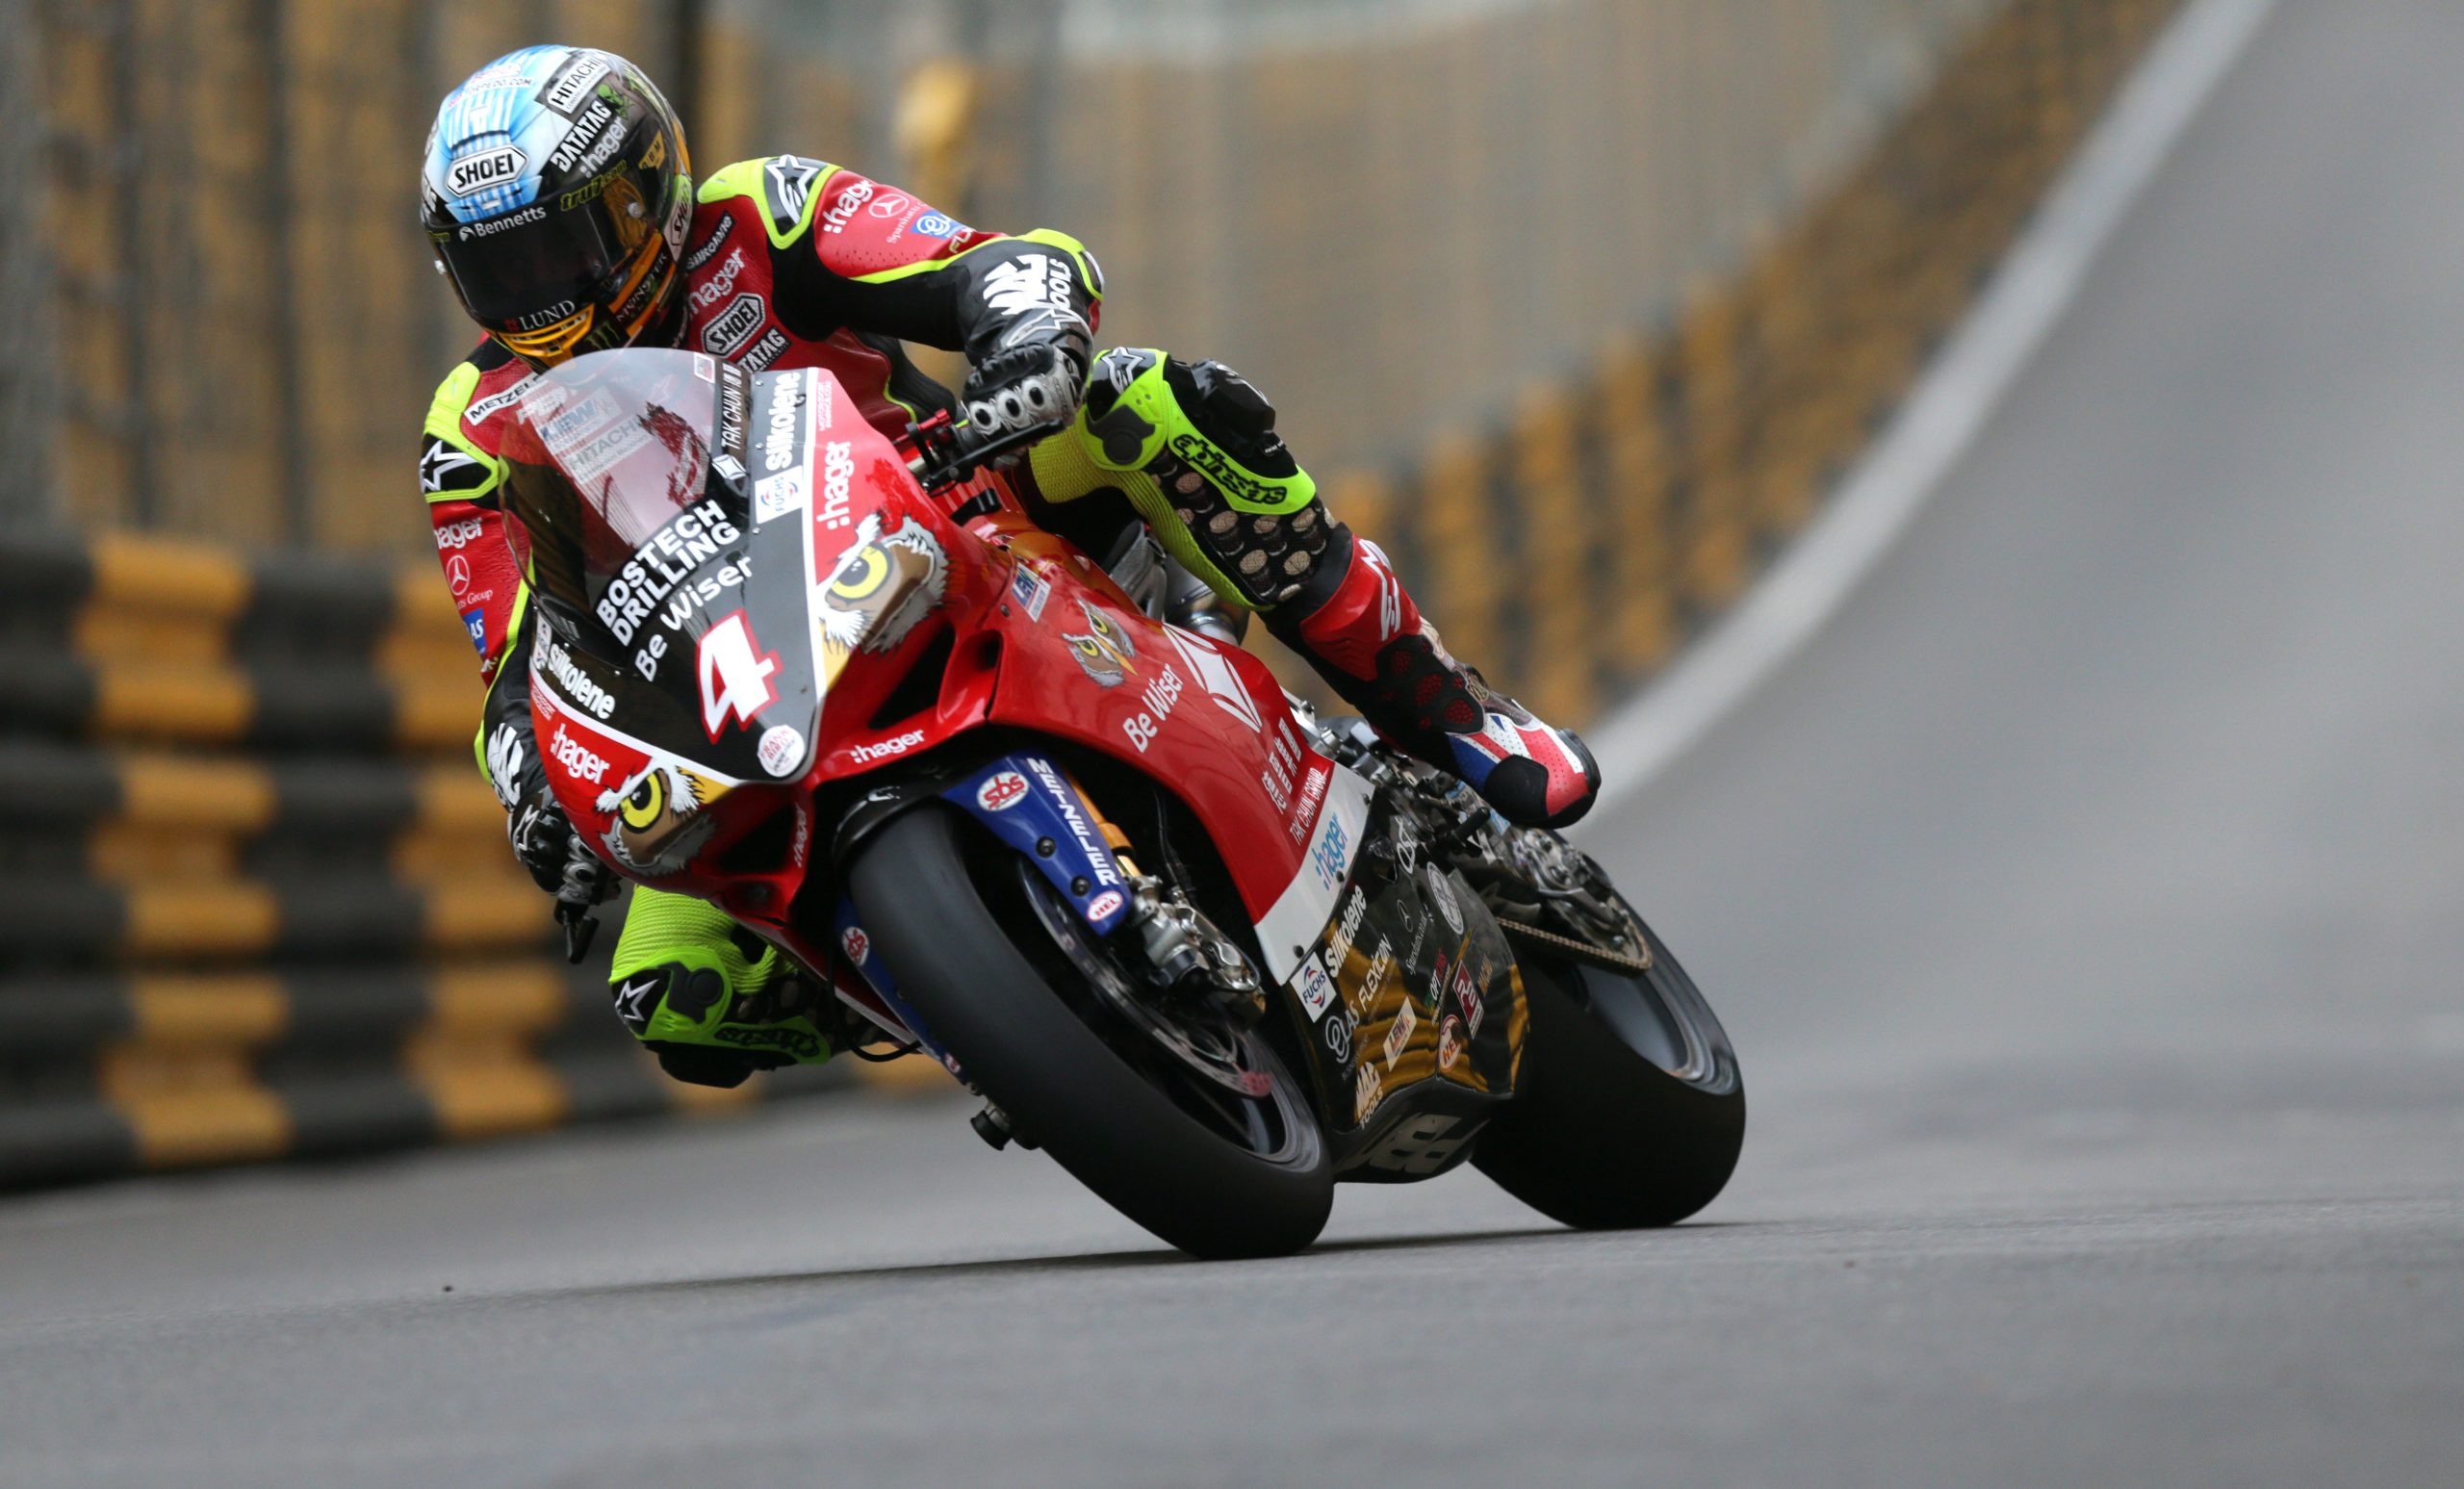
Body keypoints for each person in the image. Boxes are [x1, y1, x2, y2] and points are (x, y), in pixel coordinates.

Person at [419, 45, 1599, 1087]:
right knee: (674, 996)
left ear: (645, 199)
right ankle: (978, 997)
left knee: (1147, 401)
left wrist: (1026, 340)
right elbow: (516, 660)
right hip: (742, 689)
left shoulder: (763, 215)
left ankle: (1446, 713)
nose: (549, 299)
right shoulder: (470, 429)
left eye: (566, 249)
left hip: (962, 514)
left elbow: (996, 264)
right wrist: (534, 787)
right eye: (504, 274)